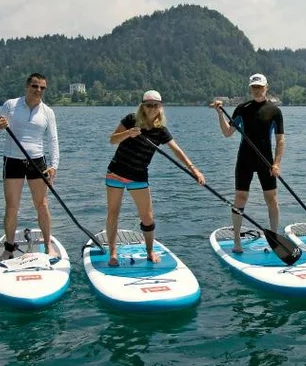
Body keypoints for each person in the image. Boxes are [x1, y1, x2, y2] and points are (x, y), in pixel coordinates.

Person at [105, 90, 205, 266]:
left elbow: (177, 150)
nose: (152, 108)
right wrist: (128, 133)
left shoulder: (160, 131)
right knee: (113, 213)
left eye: (155, 105)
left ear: (160, 107)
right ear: (142, 106)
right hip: (116, 173)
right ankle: (113, 253)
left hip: (138, 176)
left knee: (148, 218)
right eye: (148, 105)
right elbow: (112, 139)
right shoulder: (130, 120)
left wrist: (194, 170)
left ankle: (150, 251)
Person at [211, 73, 285, 253]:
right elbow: (228, 132)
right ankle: (236, 241)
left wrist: (276, 164)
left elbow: (280, 140)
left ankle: (274, 239)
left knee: (272, 200)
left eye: (260, 87)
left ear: (266, 88)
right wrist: (220, 114)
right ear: (250, 88)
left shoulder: (275, 111)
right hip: (244, 159)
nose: (257, 90)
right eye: (254, 87)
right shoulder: (242, 109)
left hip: (266, 161)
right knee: (240, 199)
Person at [0, 73, 59, 260]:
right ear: (27, 86)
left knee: (42, 205)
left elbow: (53, 140)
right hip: (13, 160)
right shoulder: (11, 105)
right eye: (35, 86)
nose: (38, 90)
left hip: (37, 162)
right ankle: (9, 248)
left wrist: (54, 166)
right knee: (12, 207)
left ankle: (48, 245)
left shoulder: (47, 112)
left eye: (42, 88)